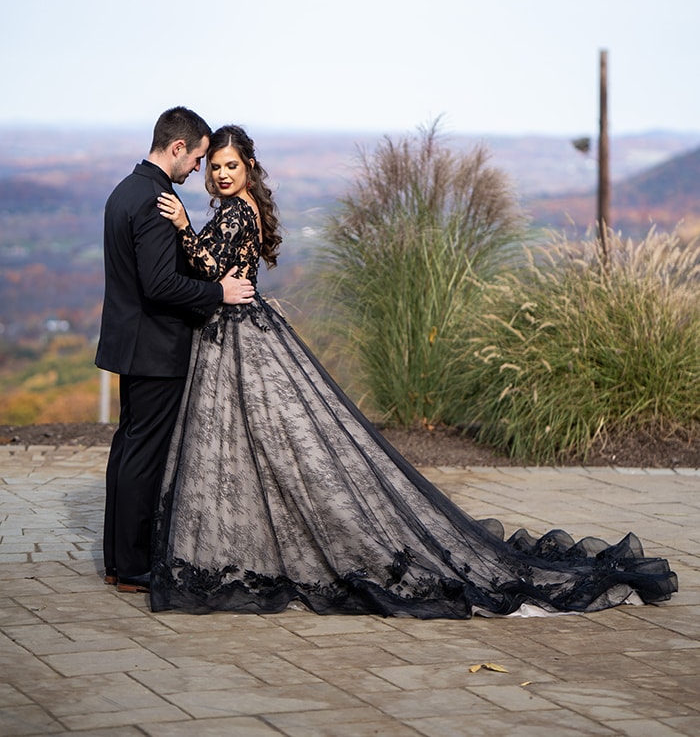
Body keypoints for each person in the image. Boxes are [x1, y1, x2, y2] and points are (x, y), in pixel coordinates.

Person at [150, 124, 677, 617]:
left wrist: (182, 227)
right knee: (261, 440)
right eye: (215, 166)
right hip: (246, 326)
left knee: (253, 439)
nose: (220, 174)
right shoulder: (248, 209)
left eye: (230, 166)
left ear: (248, 169)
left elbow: (209, 268)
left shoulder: (234, 213)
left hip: (238, 332)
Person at [96, 107, 254, 593]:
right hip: (156, 346)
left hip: (128, 341)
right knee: (143, 454)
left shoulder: (126, 189)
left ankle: (117, 560)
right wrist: (217, 294)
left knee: (127, 448)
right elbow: (161, 284)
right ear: (178, 147)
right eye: (199, 159)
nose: (199, 171)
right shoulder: (158, 201)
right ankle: (135, 566)